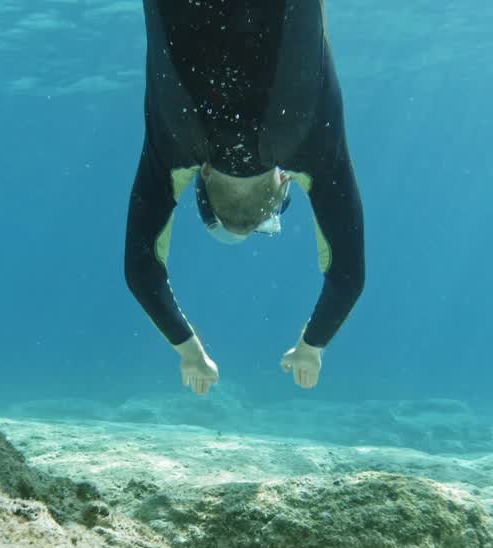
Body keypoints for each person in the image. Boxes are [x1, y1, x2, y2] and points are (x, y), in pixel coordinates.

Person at [124, 0, 365, 396]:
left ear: (285, 181)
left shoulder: (314, 149)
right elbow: (139, 272)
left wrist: (312, 346)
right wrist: (189, 352)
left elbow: (350, 277)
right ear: (200, 178)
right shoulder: (173, 149)